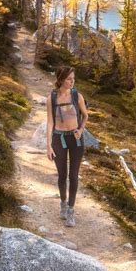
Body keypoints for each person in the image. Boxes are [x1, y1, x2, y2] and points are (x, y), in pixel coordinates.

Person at [46, 66, 88, 227]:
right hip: (58, 139)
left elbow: (85, 115)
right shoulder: (52, 98)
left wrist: (81, 129)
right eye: (69, 79)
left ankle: (71, 210)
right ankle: (63, 203)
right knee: (62, 175)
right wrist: (48, 145)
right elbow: (50, 122)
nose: (72, 81)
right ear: (61, 79)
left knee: (74, 175)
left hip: (76, 139)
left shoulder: (77, 96)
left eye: (73, 79)